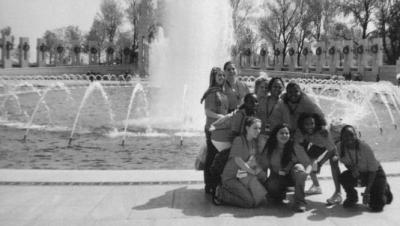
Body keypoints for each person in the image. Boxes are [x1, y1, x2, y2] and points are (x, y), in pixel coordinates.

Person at [213, 117, 267, 208]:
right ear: (247, 128)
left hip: (242, 176)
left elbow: (252, 161)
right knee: (249, 202)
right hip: (231, 178)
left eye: (259, 128)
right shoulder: (239, 140)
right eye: (255, 128)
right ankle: (221, 193)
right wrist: (253, 172)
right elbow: (238, 160)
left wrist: (260, 172)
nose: (258, 131)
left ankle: (241, 191)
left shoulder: (253, 142)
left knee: (260, 199)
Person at [337, 125, 393, 212]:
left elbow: (373, 171)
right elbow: (345, 161)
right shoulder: (339, 147)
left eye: (351, 134)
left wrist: (367, 192)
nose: (348, 138)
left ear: (356, 135)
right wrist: (352, 169)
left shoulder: (365, 147)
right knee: (343, 177)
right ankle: (352, 197)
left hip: (375, 174)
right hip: (360, 173)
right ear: (341, 137)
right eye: (345, 135)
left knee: (376, 207)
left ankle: (385, 189)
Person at [257, 124, 309, 212]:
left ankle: (300, 202)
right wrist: (262, 187)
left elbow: (308, 163)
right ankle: (279, 194)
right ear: (275, 135)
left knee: (300, 170)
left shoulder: (295, 146)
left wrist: (305, 173)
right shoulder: (270, 148)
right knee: (273, 191)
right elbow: (263, 167)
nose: (284, 135)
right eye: (281, 133)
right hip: (277, 177)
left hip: (293, 177)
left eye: (287, 133)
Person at [294, 113, 342, 205]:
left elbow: (332, 150)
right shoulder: (302, 132)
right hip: (320, 144)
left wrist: (320, 163)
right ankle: (316, 186)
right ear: (302, 125)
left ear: (316, 123)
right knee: (308, 161)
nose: (309, 126)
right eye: (306, 124)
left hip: (335, 141)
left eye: (312, 123)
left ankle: (338, 193)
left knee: (334, 162)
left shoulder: (322, 132)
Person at [201, 67, 229, 195]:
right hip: (212, 129)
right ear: (213, 77)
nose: (222, 78)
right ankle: (209, 184)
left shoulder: (222, 92)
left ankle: (215, 182)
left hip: (220, 128)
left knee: (217, 156)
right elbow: (207, 111)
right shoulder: (212, 93)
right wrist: (221, 117)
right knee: (211, 156)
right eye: (219, 75)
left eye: (223, 75)